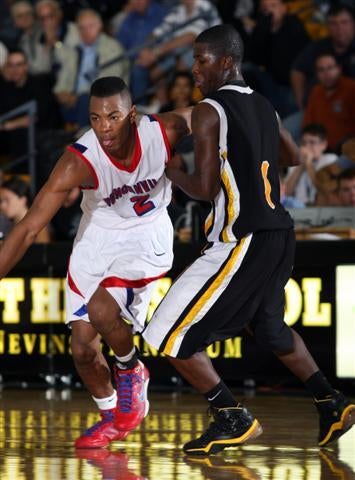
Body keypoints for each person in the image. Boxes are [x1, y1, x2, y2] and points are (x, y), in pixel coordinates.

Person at [143, 25, 355, 455]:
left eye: (201, 60)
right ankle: (331, 402)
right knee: (271, 330)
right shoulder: (264, 105)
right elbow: (293, 158)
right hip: (280, 234)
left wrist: (169, 171)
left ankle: (230, 414)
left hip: (242, 237)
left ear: (225, 61)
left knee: (163, 332)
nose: (194, 69)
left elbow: (203, 188)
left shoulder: (208, 111)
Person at [0, 75, 190, 448]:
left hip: (145, 233)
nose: (104, 128)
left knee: (103, 311)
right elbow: (27, 229)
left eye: (113, 117)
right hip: (98, 236)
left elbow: (218, 115)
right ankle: (113, 416)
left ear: (132, 114)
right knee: (82, 350)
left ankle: (132, 369)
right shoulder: (79, 161)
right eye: (95, 118)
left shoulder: (165, 129)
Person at [302, 53, 355, 152]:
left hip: (347, 151)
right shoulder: (315, 91)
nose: (326, 74)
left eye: (330, 68)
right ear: (316, 74)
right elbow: (308, 125)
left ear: (339, 69)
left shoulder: (352, 89)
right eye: (321, 70)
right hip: (319, 149)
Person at [285, 124, 338, 206]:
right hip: (298, 208)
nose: (307, 146)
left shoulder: (330, 160)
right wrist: (301, 166)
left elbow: (324, 189)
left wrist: (309, 164)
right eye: (303, 142)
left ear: (324, 145)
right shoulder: (295, 163)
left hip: (321, 208)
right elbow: (286, 193)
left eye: (312, 142)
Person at [0, 176, 51, 243]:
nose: (2, 205)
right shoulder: (5, 224)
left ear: (23, 200)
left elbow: (42, 250)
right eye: (0, 201)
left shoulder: (38, 224)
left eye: (7, 200)